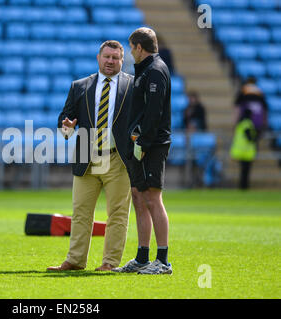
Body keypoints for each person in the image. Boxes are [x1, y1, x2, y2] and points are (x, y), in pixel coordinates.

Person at [47, 40, 134, 272]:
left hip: (118, 159)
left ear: (121, 61)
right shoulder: (79, 86)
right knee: (81, 212)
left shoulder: (133, 85)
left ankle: (109, 263)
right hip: (87, 156)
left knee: (118, 214)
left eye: (115, 58)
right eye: (106, 57)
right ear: (98, 58)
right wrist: (66, 127)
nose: (110, 61)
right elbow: (64, 121)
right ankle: (75, 261)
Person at [113, 27, 172, 275]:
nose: (130, 53)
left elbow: (154, 113)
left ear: (138, 47)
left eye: (131, 48)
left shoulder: (155, 71)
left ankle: (163, 260)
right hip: (139, 144)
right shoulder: (144, 71)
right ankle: (142, 257)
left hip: (151, 145)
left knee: (152, 198)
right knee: (138, 197)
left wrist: (144, 144)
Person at [234, 76, 267, 142]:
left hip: (245, 121)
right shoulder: (259, 92)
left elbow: (237, 107)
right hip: (258, 120)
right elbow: (264, 108)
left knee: (243, 139)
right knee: (254, 141)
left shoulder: (243, 90)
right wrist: (264, 121)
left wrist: (236, 120)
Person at [230, 108, 257, 190]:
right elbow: (249, 137)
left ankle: (242, 187)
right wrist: (255, 138)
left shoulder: (241, 123)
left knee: (243, 171)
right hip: (246, 152)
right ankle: (244, 187)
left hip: (240, 151)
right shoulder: (247, 124)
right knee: (245, 172)